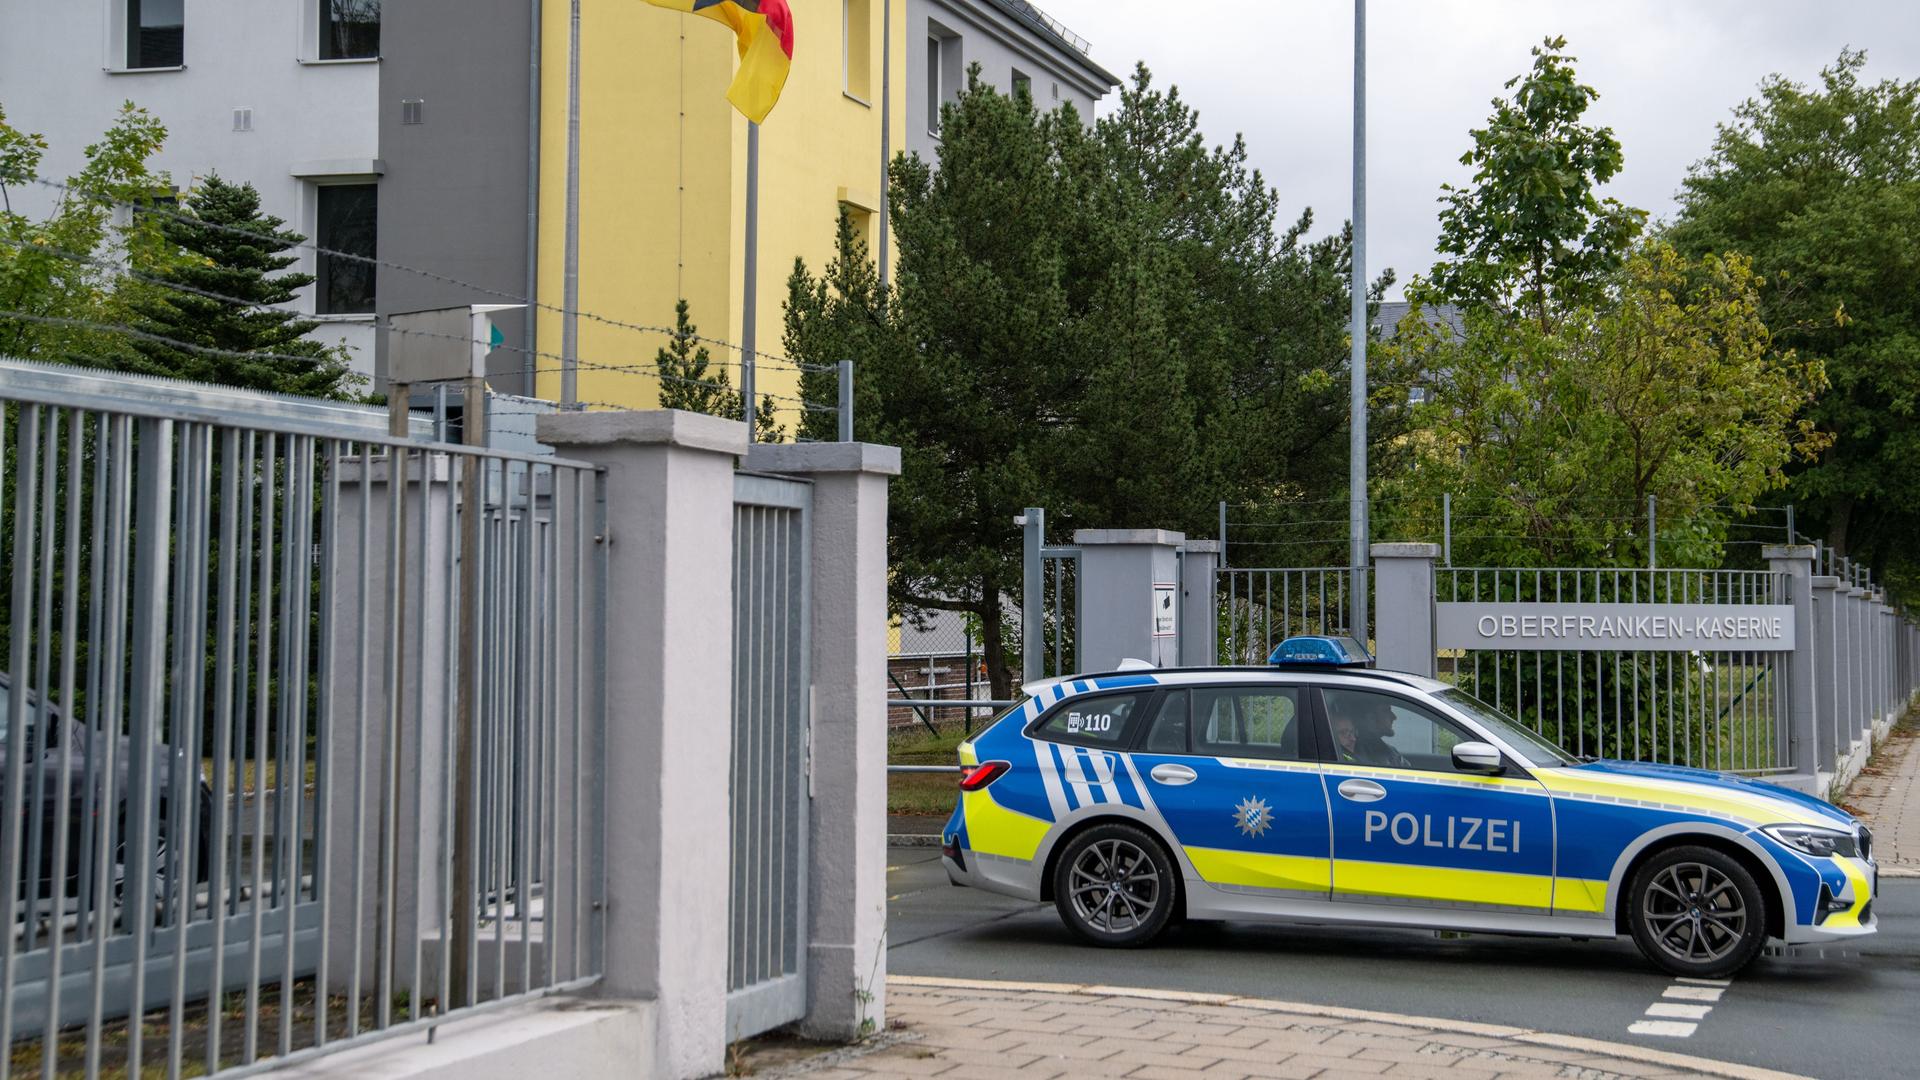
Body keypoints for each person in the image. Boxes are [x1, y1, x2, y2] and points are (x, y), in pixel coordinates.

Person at [1351, 698, 1411, 768]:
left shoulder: (1388, 750)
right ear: (1371, 718)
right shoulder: (1355, 749)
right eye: (1386, 711)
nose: (1394, 717)